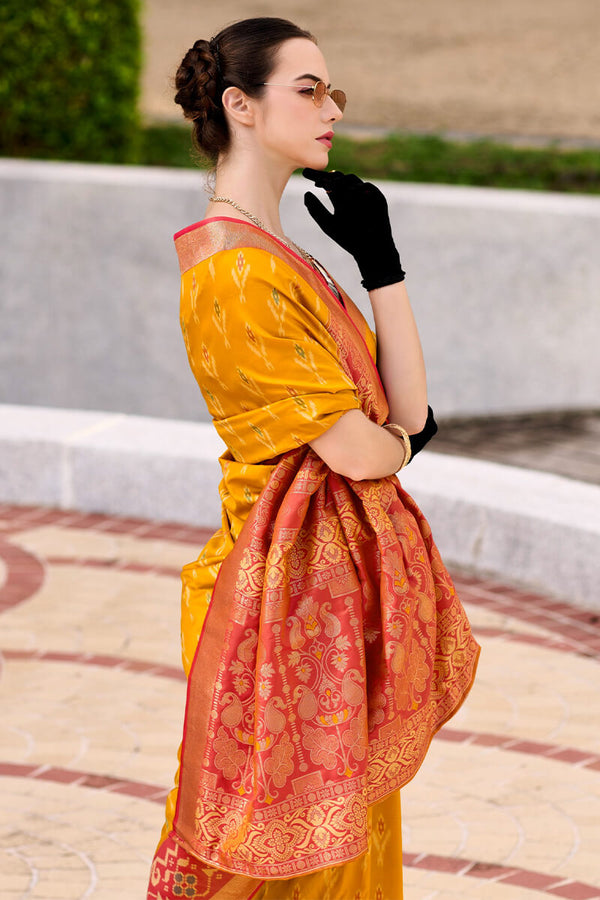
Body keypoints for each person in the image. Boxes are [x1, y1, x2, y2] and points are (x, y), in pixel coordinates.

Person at [147, 17, 480, 900]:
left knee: (344, 853)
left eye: (334, 91)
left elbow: (407, 416)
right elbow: (361, 450)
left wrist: (381, 263)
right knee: (270, 864)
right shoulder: (234, 272)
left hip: (330, 611)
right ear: (239, 105)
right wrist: (402, 447)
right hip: (277, 603)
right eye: (309, 89)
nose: (330, 108)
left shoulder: (289, 257)